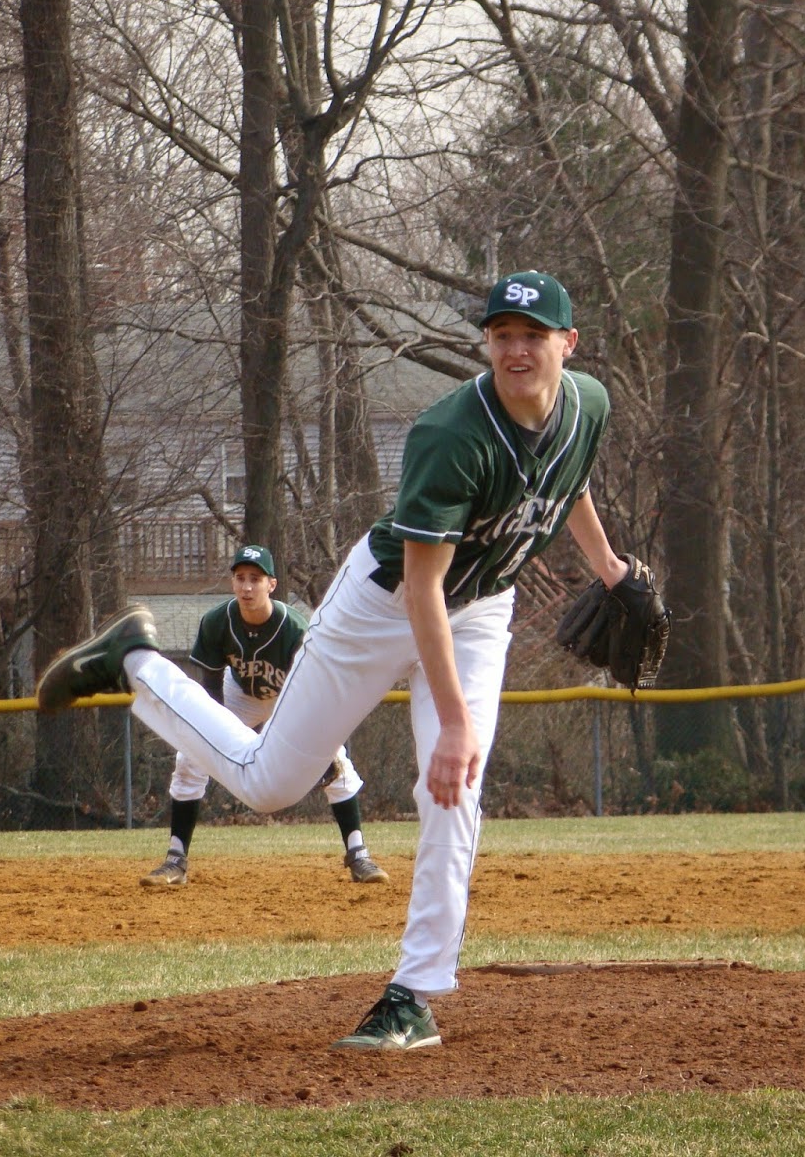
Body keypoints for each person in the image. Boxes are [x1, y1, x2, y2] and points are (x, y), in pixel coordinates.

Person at [38, 270, 631, 1051]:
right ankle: (138, 661)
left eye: (533, 336)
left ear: (567, 344)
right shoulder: (452, 436)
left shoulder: (588, 402)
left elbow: (570, 481)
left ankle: (413, 996)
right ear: (486, 343)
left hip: (483, 610)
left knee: (453, 788)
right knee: (269, 784)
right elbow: (423, 592)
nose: (516, 350)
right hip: (382, 607)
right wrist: (453, 720)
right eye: (501, 336)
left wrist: (612, 569)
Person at [139, 543, 389, 887]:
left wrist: (324, 743)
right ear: (232, 583)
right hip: (239, 693)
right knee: (189, 757)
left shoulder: (293, 629)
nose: (246, 586)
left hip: (292, 696)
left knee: (337, 761)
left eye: (255, 579)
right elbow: (210, 693)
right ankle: (175, 860)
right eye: (240, 578)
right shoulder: (216, 622)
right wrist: (213, 737)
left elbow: (313, 695)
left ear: (271, 584)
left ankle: (359, 855)